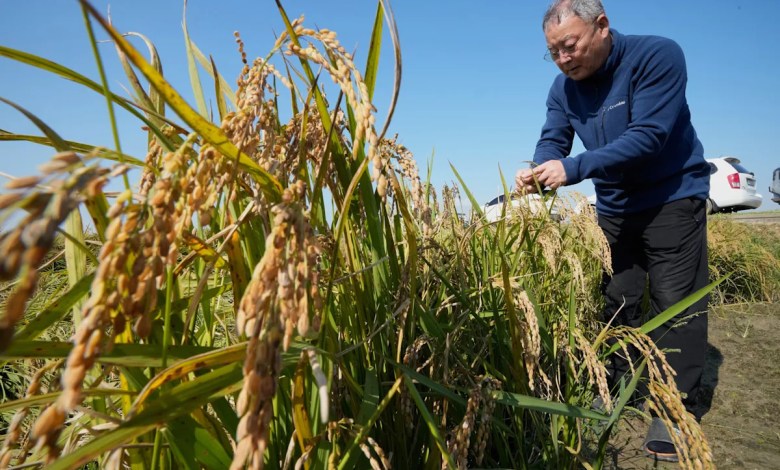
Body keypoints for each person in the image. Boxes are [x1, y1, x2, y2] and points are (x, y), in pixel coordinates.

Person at [515, 0, 710, 462]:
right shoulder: (563, 89)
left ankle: (675, 410)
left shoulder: (657, 56)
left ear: (602, 26)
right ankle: (616, 386)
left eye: (570, 46)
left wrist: (573, 167)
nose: (564, 59)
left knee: (675, 302)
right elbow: (554, 137)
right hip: (616, 208)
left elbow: (650, 135)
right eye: (554, 52)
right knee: (617, 299)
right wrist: (541, 168)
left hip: (672, 196)